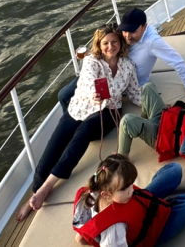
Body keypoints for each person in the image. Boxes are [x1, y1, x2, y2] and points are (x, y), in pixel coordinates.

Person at [17, 24, 143, 221]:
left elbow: (135, 93)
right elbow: (89, 82)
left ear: (120, 43)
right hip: (81, 107)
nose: (110, 46)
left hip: (108, 111)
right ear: (99, 45)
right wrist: (95, 94)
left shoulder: (128, 65)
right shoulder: (91, 61)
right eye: (105, 43)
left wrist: (156, 104)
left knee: (82, 134)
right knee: (53, 147)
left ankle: (47, 187)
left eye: (114, 42)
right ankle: (36, 191)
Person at [59, 8, 185, 112]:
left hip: (126, 85)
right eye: (124, 31)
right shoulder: (124, 33)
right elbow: (110, 46)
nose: (127, 36)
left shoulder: (153, 42)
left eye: (132, 32)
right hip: (104, 71)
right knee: (64, 96)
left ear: (144, 27)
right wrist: (92, 53)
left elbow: (176, 61)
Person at [73, 154, 185, 247]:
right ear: (106, 194)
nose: (131, 190)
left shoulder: (97, 189)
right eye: (125, 188)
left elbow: (81, 232)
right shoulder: (114, 230)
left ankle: (163, 204)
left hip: (140, 201)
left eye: (131, 183)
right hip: (149, 233)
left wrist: (84, 236)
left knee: (175, 169)